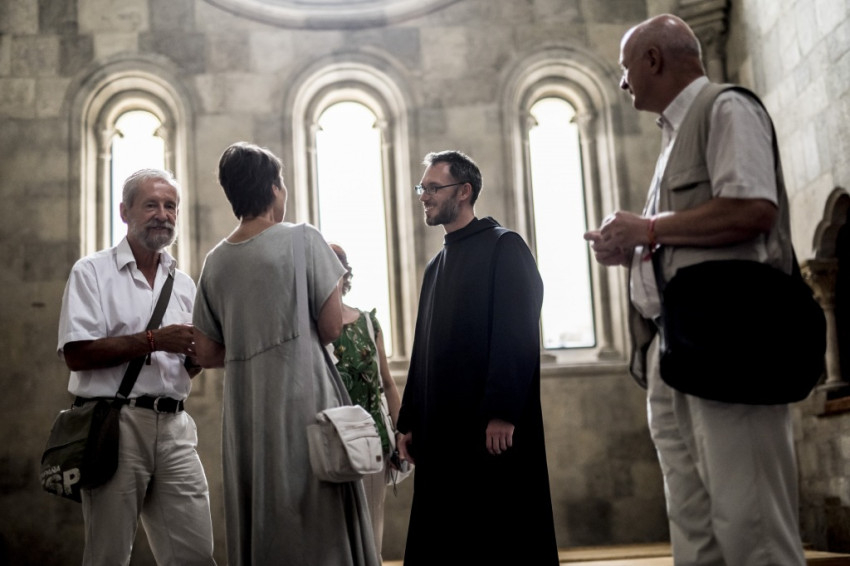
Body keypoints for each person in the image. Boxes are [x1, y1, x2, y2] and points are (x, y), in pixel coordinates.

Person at [583, 14, 807, 566]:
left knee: (752, 525)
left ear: (654, 59)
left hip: (729, 342)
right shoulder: (672, 136)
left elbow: (752, 211)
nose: (622, 81)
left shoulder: (725, 108)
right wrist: (634, 250)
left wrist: (647, 230)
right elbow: (686, 238)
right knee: (694, 526)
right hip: (675, 345)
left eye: (625, 68)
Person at [191, 141, 379, 566]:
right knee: (319, 509)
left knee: (263, 503)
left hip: (248, 407)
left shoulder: (215, 262)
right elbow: (332, 327)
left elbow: (205, 352)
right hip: (303, 396)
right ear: (274, 188)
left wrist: (250, 344)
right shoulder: (303, 238)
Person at [395, 150, 559, 565]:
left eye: (434, 187)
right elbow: (423, 351)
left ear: (464, 191)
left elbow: (517, 332)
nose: (424, 196)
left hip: (487, 431)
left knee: (495, 537)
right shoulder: (436, 266)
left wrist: (502, 410)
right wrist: (410, 421)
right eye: (422, 188)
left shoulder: (504, 246)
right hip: (440, 434)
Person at [56, 169, 216, 565]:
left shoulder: (184, 284)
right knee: (108, 555)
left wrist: (195, 359)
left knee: (195, 554)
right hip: (115, 425)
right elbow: (77, 354)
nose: (163, 214)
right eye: (151, 205)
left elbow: (182, 365)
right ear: (124, 211)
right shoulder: (91, 272)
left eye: (170, 206)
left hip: (176, 426)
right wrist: (154, 340)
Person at [329, 242, 402, 564]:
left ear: (345, 273)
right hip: (329, 442)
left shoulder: (368, 323)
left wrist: (401, 431)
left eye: (336, 265)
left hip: (372, 443)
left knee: (371, 536)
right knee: (334, 541)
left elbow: (387, 382)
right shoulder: (311, 327)